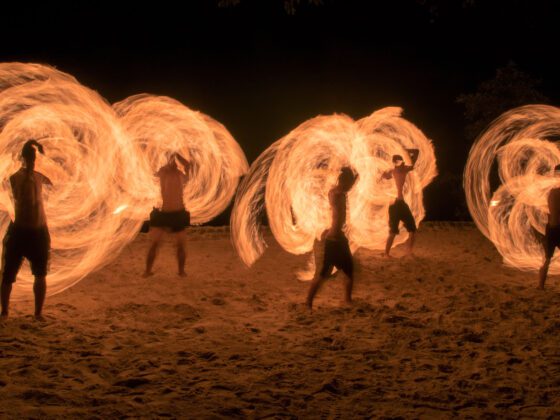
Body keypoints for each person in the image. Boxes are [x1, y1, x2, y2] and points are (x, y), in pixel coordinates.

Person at [1, 140, 52, 320]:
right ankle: (4, 311)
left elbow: (57, 181)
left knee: (40, 274)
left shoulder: (39, 177)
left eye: (34, 159)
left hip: (39, 232)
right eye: (29, 158)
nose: (32, 162)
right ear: (22, 159)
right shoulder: (15, 178)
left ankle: (38, 313)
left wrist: (41, 152)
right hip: (19, 231)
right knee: (8, 274)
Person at [306, 166, 358, 310]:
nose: (350, 187)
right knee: (324, 274)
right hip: (334, 239)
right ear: (344, 182)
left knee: (347, 270)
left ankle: (347, 299)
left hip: (337, 237)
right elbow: (343, 191)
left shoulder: (335, 192)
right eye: (348, 184)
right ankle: (308, 302)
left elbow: (347, 187)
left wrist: (355, 172)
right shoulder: (337, 194)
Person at [144, 152, 191, 277]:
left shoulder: (181, 175)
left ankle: (181, 271)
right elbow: (151, 170)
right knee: (154, 244)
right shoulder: (163, 173)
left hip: (178, 213)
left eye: (175, 162)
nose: (173, 163)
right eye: (171, 161)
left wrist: (177, 155)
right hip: (164, 213)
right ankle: (147, 271)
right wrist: (167, 161)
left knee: (181, 245)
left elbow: (188, 166)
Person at [381, 148, 419, 257]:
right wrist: (406, 150)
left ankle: (387, 253)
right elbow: (416, 152)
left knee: (394, 231)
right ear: (399, 162)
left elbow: (383, 176)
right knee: (411, 228)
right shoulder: (403, 169)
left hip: (394, 205)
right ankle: (408, 252)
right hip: (398, 204)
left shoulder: (392, 171)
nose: (403, 162)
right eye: (401, 160)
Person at [538, 164, 560, 289]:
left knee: (547, 259)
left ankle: (540, 285)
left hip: (551, 228)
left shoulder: (551, 192)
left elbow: (549, 211)